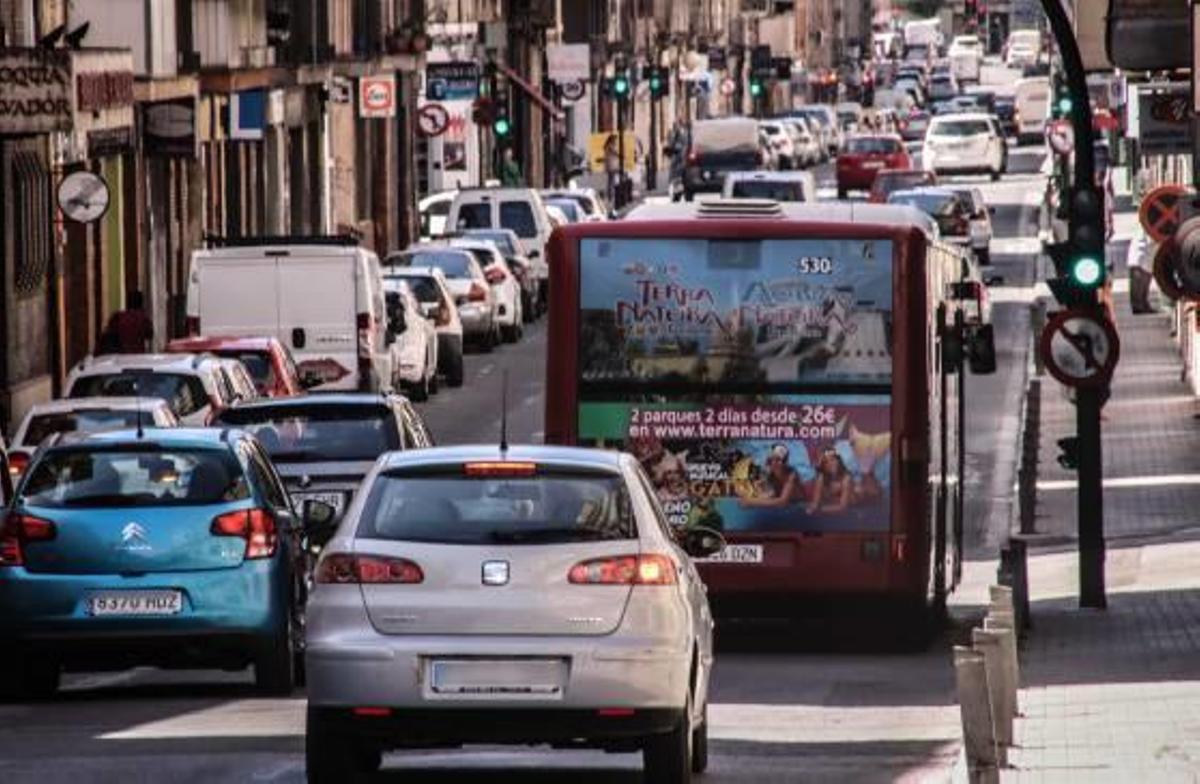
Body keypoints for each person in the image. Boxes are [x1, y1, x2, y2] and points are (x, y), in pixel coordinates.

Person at [740, 444, 805, 508]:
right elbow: (770, 495)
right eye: (771, 460)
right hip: (786, 507)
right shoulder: (771, 475)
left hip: (798, 506)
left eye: (778, 460)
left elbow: (783, 502)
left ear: (785, 462)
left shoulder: (792, 475)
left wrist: (752, 502)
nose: (774, 463)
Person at [97, 290, 153, 354]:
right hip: (137, 355)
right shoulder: (143, 318)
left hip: (120, 354)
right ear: (141, 303)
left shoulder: (118, 317)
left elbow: (108, 334)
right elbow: (150, 335)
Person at [807, 447, 856, 514]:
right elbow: (815, 502)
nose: (830, 464)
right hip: (829, 509)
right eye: (826, 462)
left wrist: (820, 510)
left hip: (851, 511)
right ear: (823, 466)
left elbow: (843, 507)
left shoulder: (846, 478)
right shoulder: (821, 478)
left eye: (832, 460)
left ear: (838, 460)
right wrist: (811, 509)